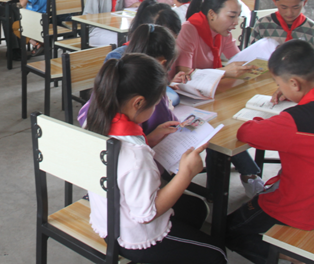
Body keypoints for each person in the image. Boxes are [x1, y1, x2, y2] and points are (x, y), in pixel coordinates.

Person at [84, 54, 226, 264]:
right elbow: (146, 215)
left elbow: (121, 166)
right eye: (156, 103)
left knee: (197, 209)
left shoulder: (95, 123)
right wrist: (186, 174)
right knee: (217, 254)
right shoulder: (136, 155)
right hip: (132, 235)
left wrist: (150, 138)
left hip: (107, 216)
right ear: (138, 102)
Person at [226, 40, 314, 264]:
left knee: (227, 229)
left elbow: (246, 132)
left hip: (296, 209)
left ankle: (285, 255)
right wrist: (297, 96)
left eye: (279, 83)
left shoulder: (294, 122)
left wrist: (263, 119)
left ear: (294, 83)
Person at [175, 0, 264, 197]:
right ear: (212, 14)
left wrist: (254, 65)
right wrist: (224, 71)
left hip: (209, 94)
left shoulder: (222, 33)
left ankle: (245, 176)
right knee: (224, 125)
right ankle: (248, 175)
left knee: (234, 116)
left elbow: (239, 59)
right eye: (231, 16)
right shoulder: (190, 29)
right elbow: (184, 75)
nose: (236, 22)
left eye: (238, 16)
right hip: (186, 98)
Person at [82, 24, 190, 141]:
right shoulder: (150, 94)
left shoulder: (113, 78)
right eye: (168, 68)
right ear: (162, 64)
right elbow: (170, 129)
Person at [250, 0, 314, 73]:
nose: (289, 13)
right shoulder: (262, 25)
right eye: (284, 7)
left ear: (305, 2)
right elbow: (250, 57)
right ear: (274, 1)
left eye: (296, 7)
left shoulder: (313, 30)